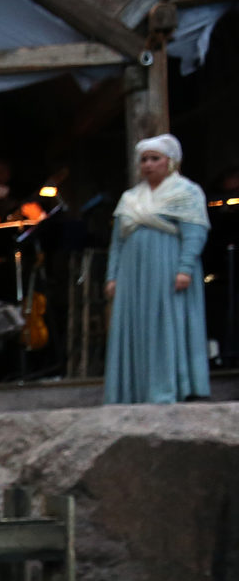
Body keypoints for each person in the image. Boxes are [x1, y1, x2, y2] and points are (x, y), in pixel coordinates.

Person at [104, 134, 212, 405]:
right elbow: (118, 241)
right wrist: (112, 276)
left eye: (155, 159)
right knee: (137, 325)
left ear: (170, 162)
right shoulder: (130, 198)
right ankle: (135, 390)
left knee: (166, 322)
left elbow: (194, 233)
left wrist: (185, 267)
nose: (148, 165)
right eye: (144, 160)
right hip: (133, 273)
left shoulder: (186, 192)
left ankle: (170, 387)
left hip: (167, 267)